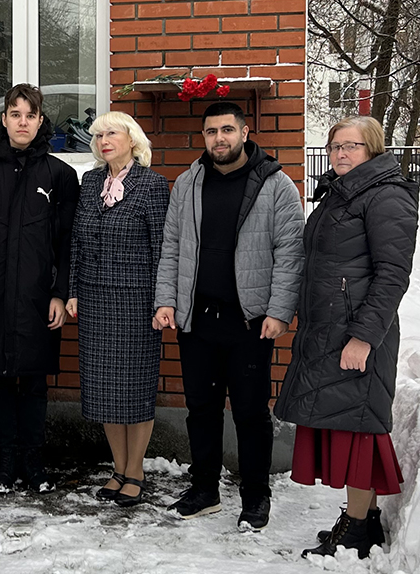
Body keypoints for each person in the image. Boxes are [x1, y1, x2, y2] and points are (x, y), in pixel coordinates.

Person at [153, 101, 304, 530]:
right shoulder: (188, 182)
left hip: (249, 323)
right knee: (201, 409)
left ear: (244, 132)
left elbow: (291, 253)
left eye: (227, 130)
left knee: (250, 414)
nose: (219, 139)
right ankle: (205, 490)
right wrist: (166, 300)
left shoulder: (276, 185)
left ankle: (256, 495)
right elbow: (171, 246)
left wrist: (279, 311)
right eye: (211, 132)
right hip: (197, 320)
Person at [274, 117, 417, 559]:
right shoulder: (344, 193)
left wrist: (363, 338)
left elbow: (392, 276)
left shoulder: (386, 196)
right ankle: (363, 519)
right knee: (350, 423)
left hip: (356, 334)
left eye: (351, 146)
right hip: (330, 330)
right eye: (335, 145)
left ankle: (357, 529)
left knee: (358, 429)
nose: (339, 153)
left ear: (372, 150)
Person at [0, 84, 79, 494]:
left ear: (40, 121)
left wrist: (60, 293)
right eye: (15, 114)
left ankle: (34, 461)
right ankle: (5, 462)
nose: (22, 122)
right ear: (4, 119)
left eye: (30, 115)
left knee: (33, 381)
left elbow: (67, 242)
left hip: (37, 296)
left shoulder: (61, 176)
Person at [66, 112, 169, 507]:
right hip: (94, 300)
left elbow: (161, 248)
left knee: (135, 388)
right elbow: (77, 241)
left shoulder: (152, 184)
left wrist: (162, 301)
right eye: (98, 135)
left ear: (132, 140)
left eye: (112, 133)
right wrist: (73, 291)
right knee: (105, 388)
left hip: (136, 302)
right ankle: (118, 467)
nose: (103, 140)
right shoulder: (91, 182)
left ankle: (136, 470)